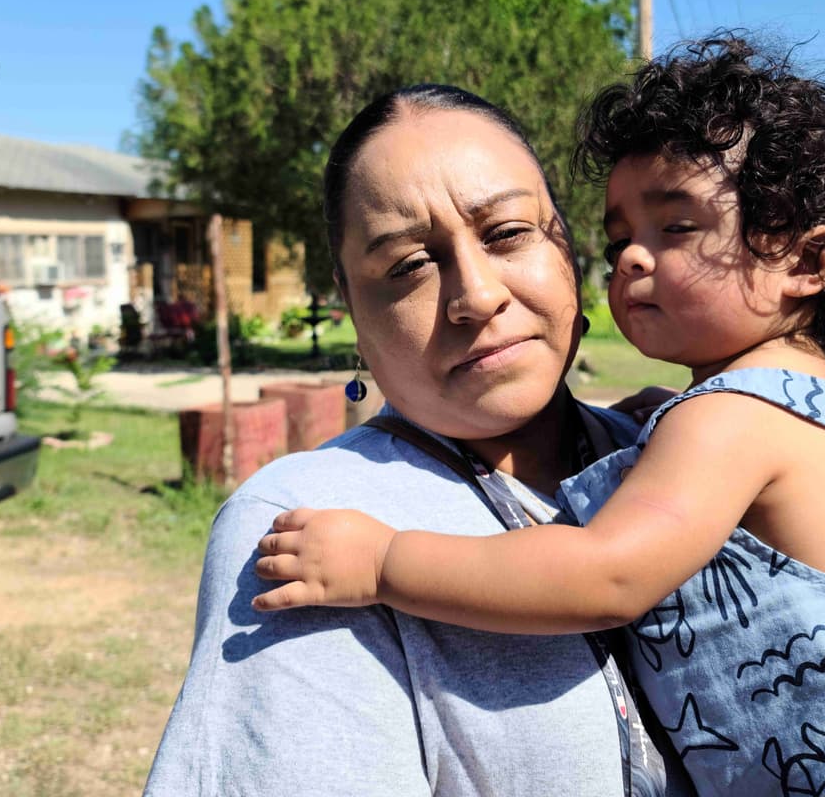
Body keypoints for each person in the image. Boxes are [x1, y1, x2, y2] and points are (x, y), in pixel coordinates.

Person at [254, 38, 825, 795]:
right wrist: (667, 424)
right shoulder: (778, 409)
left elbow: (607, 573)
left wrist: (384, 562)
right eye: (620, 238)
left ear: (806, 259)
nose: (631, 257)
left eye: (676, 228)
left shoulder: (730, 421)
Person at [145, 84, 693, 796]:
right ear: (351, 306)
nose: (477, 296)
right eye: (408, 266)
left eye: (507, 233)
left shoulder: (677, 455)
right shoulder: (304, 530)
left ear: (567, 246)